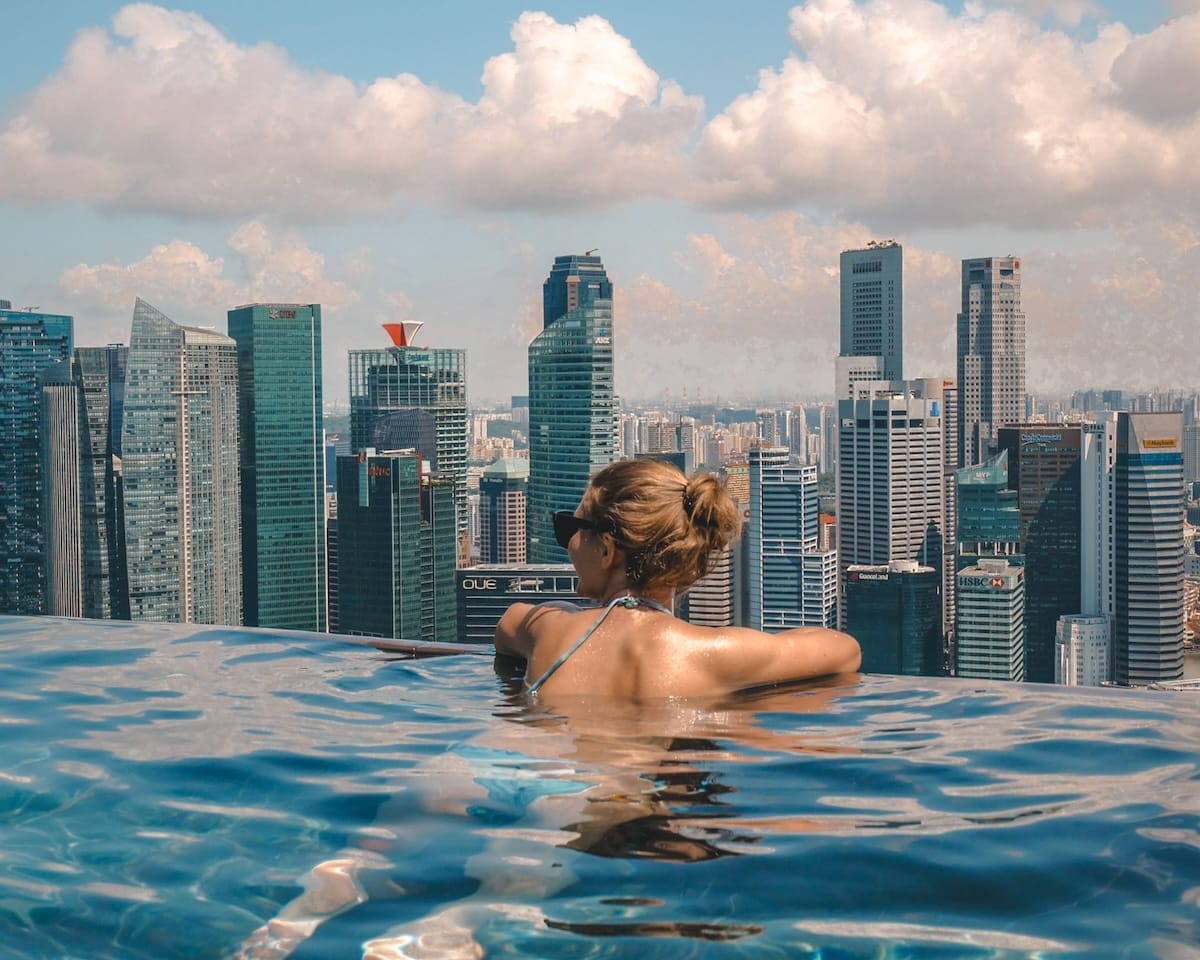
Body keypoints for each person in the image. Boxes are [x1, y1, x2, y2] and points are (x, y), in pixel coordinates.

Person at [496, 459, 861, 698]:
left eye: (570, 529)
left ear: (607, 549)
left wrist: (566, 613)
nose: (569, 544)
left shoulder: (551, 630)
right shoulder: (712, 654)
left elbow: (508, 624)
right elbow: (845, 651)